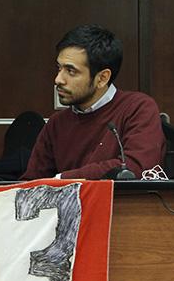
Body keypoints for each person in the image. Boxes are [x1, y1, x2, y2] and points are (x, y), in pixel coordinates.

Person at [22, 24, 165, 180]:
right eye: (59, 68)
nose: (58, 80)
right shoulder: (57, 123)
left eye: (71, 71)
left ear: (102, 78)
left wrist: (62, 179)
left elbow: (136, 167)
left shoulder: (137, 108)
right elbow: (32, 182)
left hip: (120, 203)